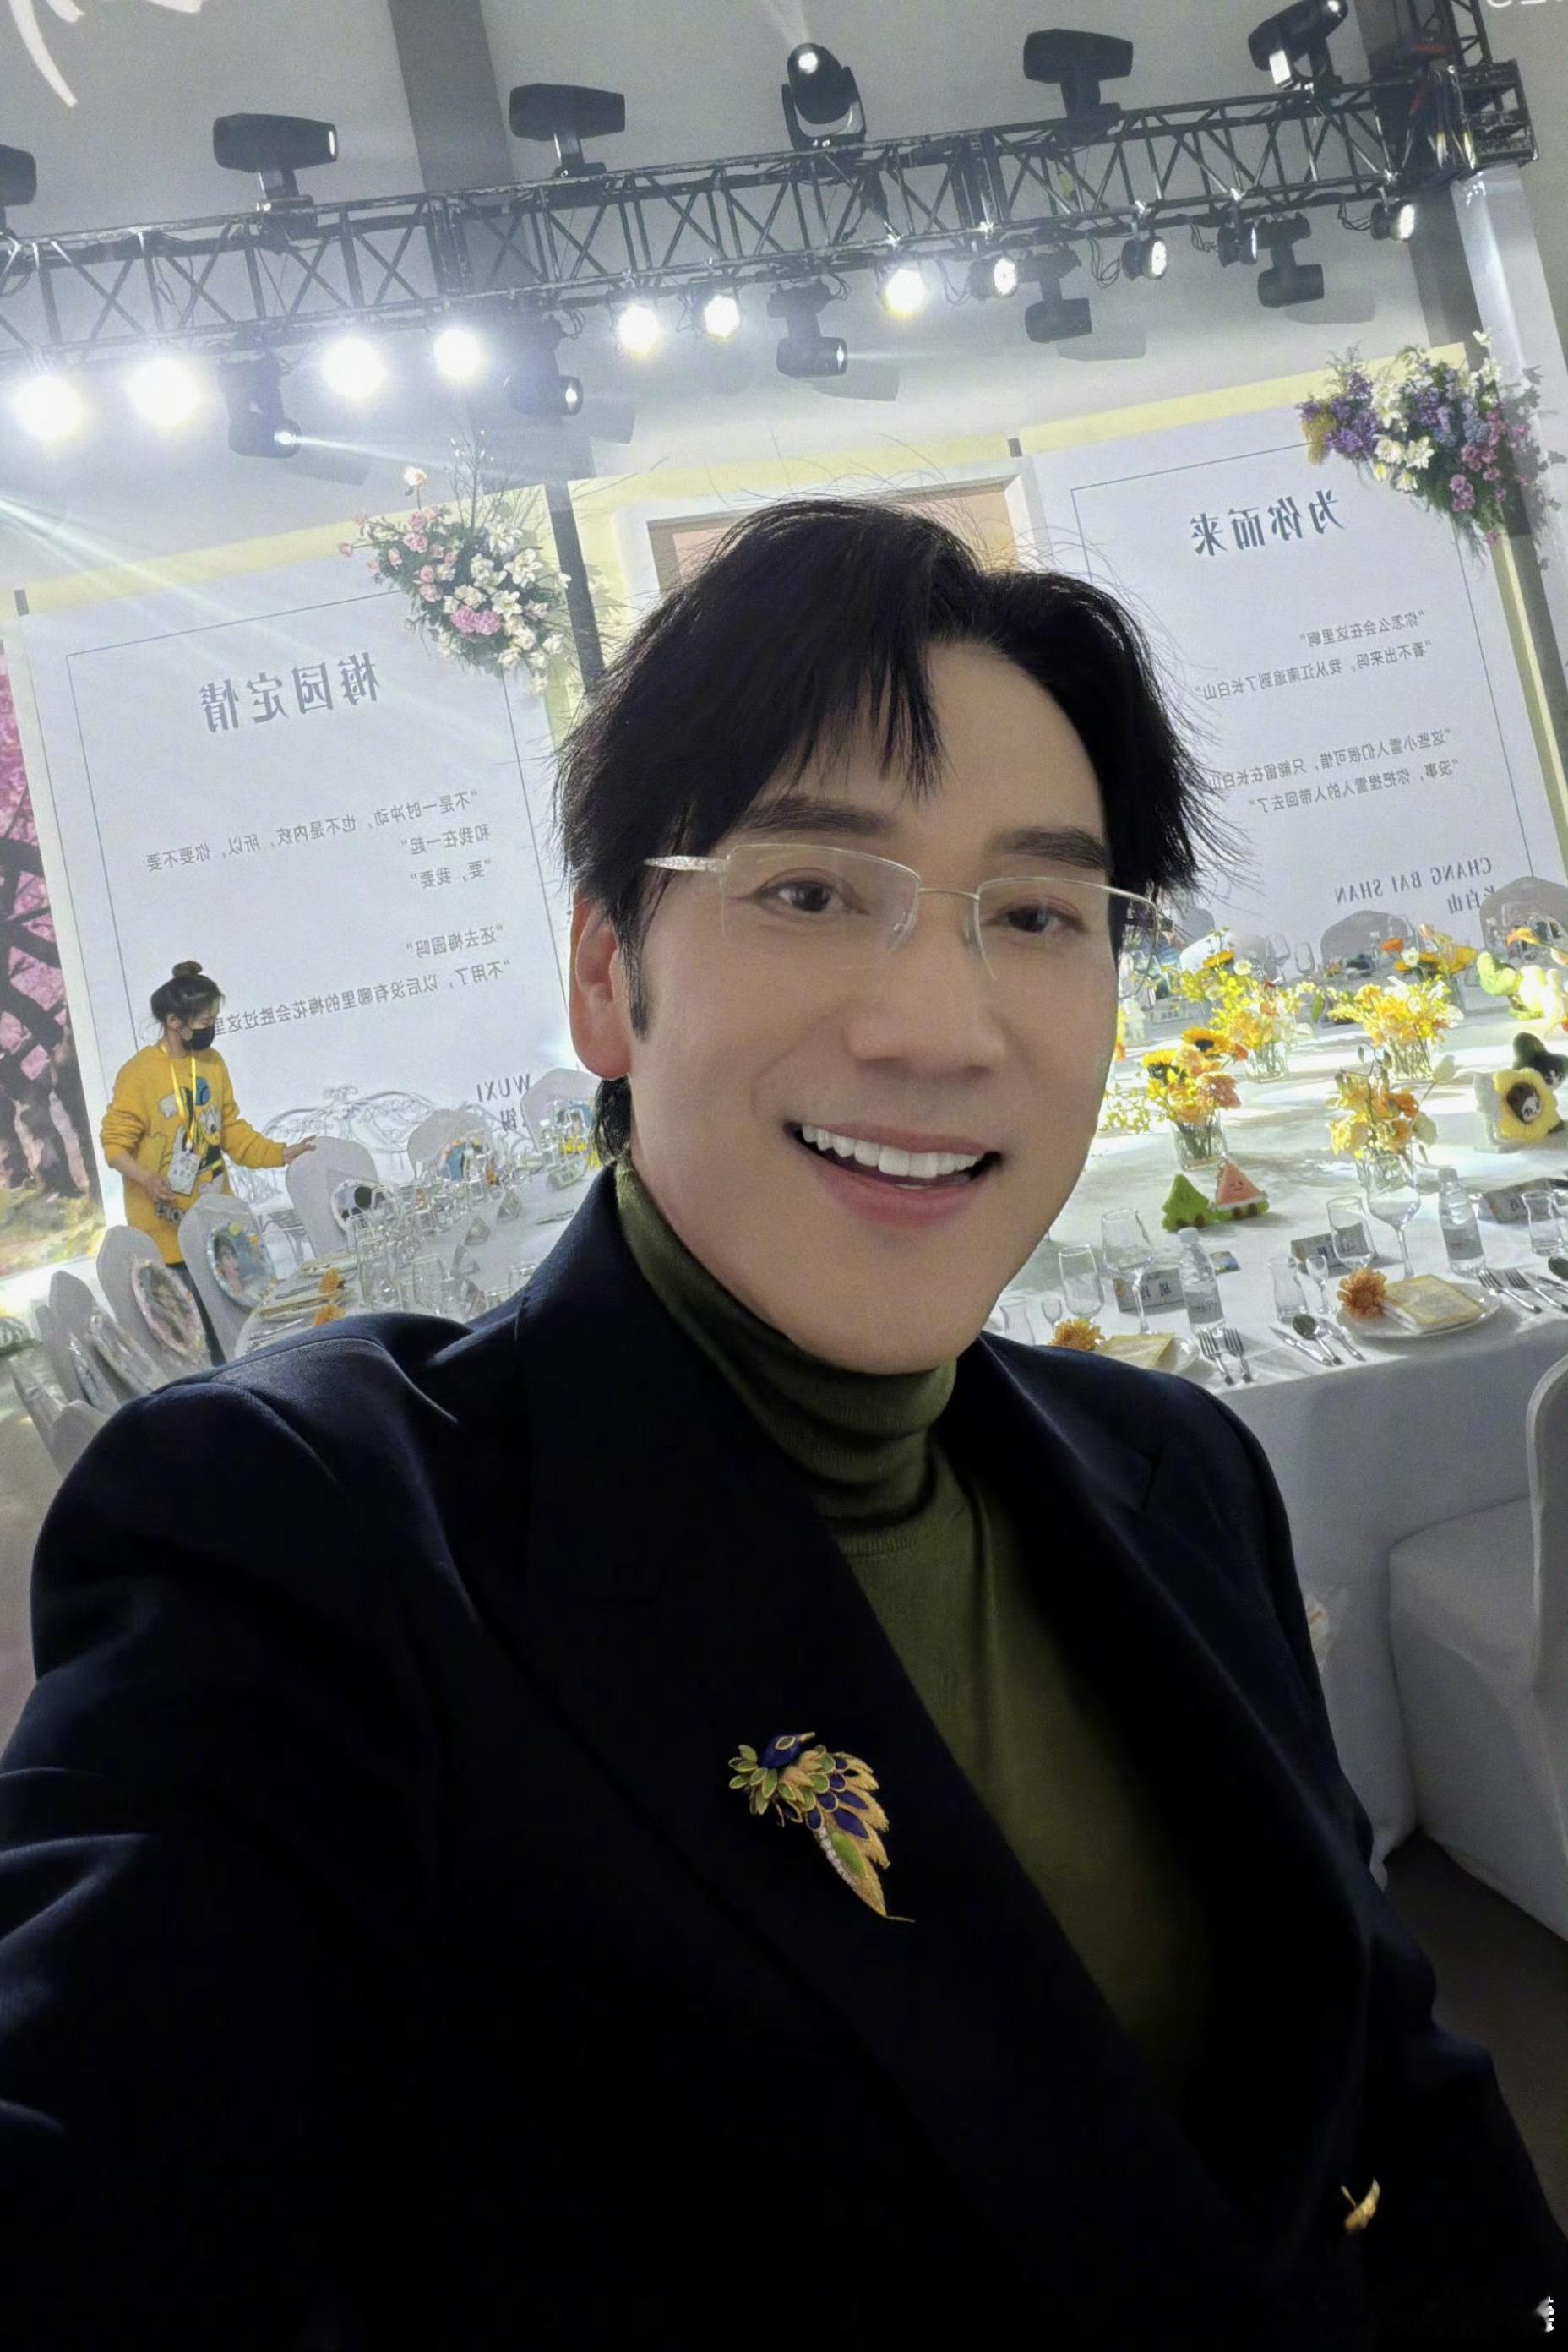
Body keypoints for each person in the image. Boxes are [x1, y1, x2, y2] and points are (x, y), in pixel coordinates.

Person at [0, 500, 1563, 2351]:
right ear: (607, 977)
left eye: (1036, 914)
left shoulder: (1171, 1465)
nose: (940, 1025)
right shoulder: (322, 1539)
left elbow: (1391, 2072)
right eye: (812, 892)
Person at [100, 960, 313, 1358]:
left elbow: (231, 1130)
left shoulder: (212, 1064)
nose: (211, 1028)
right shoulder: (139, 1073)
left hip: (220, 1231)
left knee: (248, 1336)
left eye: (214, 1019)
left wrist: (281, 1153)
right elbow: (114, 1146)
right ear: (174, 1022)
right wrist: (146, 1179)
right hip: (168, 1241)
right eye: (204, 1021)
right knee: (201, 1352)